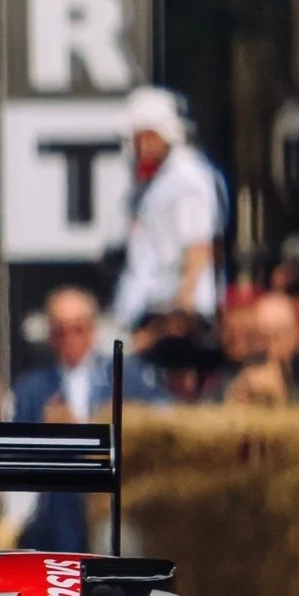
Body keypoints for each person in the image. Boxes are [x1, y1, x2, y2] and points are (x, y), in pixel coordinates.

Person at [108, 86, 225, 338]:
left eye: (148, 136)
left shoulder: (187, 179)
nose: (141, 146)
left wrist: (183, 307)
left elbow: (199, 245)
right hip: (146, 306)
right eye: (136, 138)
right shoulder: (152, 181)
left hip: (173, 316)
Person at [13, 289, 112, 552]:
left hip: (108, 507)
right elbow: (17, 461)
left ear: (92, 330)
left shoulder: (123, 377)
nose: (70, 338)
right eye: (60, 330)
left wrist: (80, 431)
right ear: (50, 336)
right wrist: (45, 437)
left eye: (78, 329)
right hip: (53, 519)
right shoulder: (31, 389)